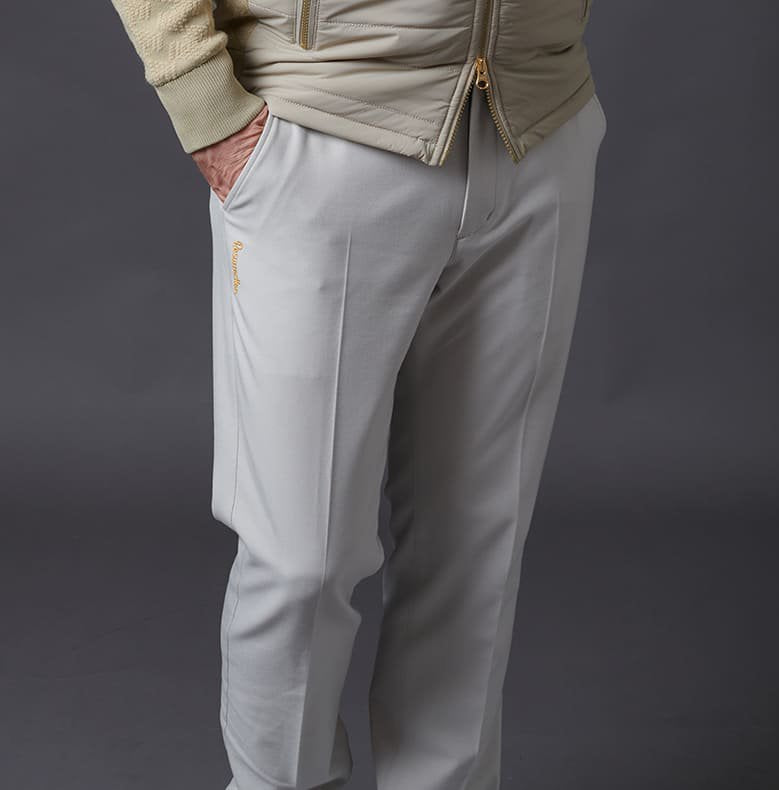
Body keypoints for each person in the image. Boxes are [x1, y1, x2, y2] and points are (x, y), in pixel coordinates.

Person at [109, 1, 607, 788]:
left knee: (473, 555)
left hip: (536, 123)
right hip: (321, 124)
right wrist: (207, 108)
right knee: (300, 564)